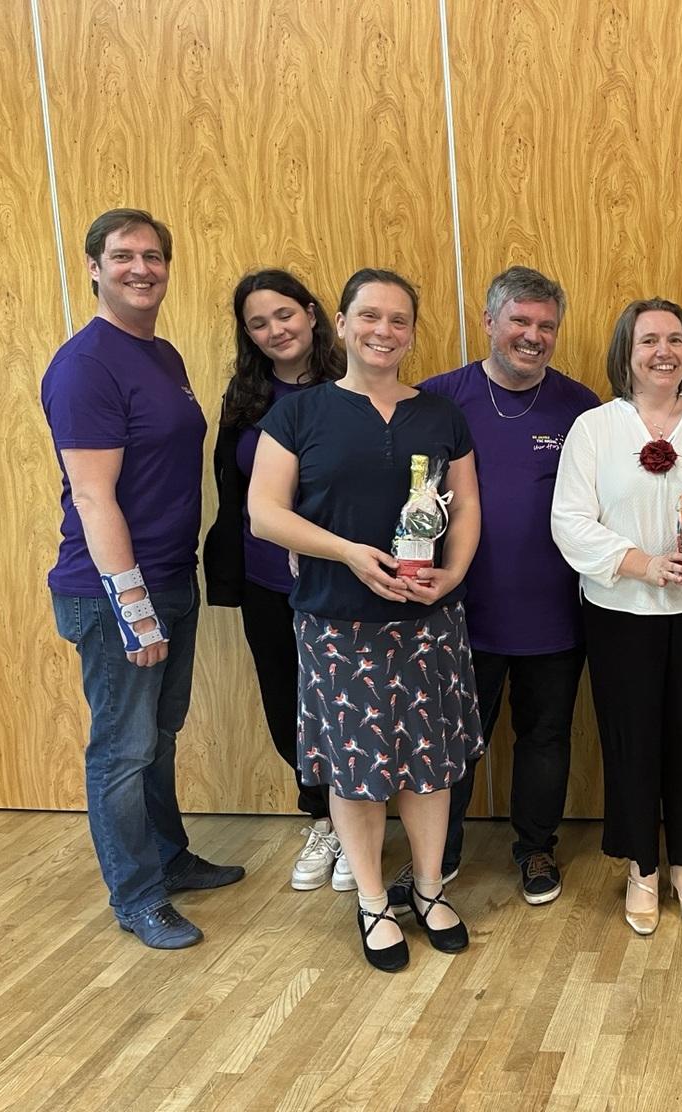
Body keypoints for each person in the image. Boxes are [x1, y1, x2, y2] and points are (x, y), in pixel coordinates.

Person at [249, 268, 484, 972]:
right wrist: (348, 553)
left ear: (412, 332)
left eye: (399, 320)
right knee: (357, 770)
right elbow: (265, 514)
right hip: (336, 622)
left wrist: (456, 572)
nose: (384, 331)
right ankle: (374, 900)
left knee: (430, 767)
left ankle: (432, 888)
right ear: (342, 325)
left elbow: (466, 506)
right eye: (370, 317)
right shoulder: (298, 413)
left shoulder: (441, 414)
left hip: (427, 620)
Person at [42, 208, 245, 950]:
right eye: (123, 256)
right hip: (112, 593)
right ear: (94, 267)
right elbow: (94, 497)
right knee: (121, 751)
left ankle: (169, 857)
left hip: (170, 577)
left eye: (154, 256)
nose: (141, 269)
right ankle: (136, 895)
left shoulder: (159, 355)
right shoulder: (86, 365)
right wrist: (133, 609)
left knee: (158, 738)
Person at [550, 298, 682, 935]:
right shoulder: (596, 429)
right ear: (627, 354)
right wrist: (641, 562)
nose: (662, 351)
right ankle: (642, 867)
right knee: (632, 740)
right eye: (648, 341)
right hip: (622, 613)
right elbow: (570, 521)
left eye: (674, 338)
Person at [415, 267, 598, 906]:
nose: (533, 335)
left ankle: (536, 847)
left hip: (555, 612)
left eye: (546, 325)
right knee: (456, 739)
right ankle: (441, 854)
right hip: (460, 609)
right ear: (489, 322)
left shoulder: (582, 408)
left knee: (545, 737)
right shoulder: (437, 400)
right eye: (520, 321)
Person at [202, 269, 346, 893]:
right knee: (287, 704)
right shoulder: (246, 398)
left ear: (312, 314)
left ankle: (355, 820)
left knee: (346, 707)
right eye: (257, 323)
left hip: (341, 582)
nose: (274, 331)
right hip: (267, 583)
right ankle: (324, 819)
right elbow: (232, 494)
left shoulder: (353, 388)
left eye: (284, 315)